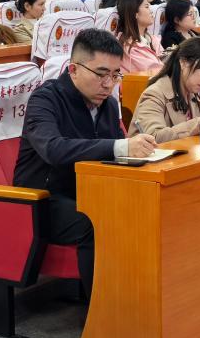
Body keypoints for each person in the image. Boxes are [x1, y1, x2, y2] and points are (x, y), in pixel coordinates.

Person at [14, 29, 156, 296]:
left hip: (88, 192)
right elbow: (53, 149)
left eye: (115, 75)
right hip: (43, 200)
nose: (109, 84)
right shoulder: (45, 100)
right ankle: (103, 311)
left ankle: (140, 298)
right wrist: (120, 147)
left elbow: (116, 157)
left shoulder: (108, 105)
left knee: (144, 207)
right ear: (74, 69)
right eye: (101, 74)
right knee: (94, 221)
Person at [130, 36, 200, 144]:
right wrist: (199, 124)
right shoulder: (154, 94)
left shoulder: (192, 94)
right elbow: (154, 137)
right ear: (183, 62)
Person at [116, 0, 163, 73]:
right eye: (147, 7)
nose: (151, 11)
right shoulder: (130, 47)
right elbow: (157, 71)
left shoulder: (151, 39)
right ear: (135, 14)